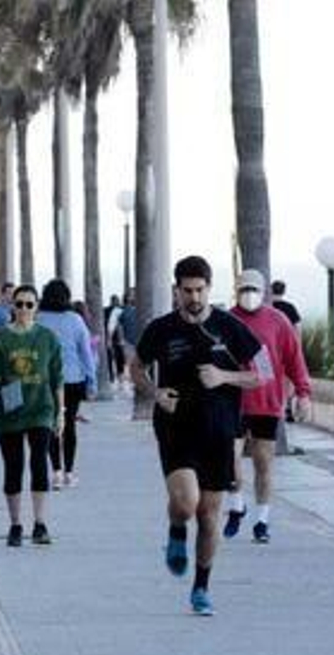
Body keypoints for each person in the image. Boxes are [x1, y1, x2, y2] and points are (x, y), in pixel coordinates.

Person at [131, 255, 261, 616]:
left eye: (200, 290)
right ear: (176, 291)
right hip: (175, 426)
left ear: (209, 288)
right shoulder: (162, 329)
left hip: (219, 430)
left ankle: (201, 588)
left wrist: (225, 377)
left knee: (208, 515)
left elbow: (261, 373)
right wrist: (155, 393)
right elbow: (136, 366)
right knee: (187, 502)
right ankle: (176, 526)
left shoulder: (229, 327)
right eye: (187, 290)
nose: (194, 297)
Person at [224, 270, 312, 544]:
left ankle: (262, 520)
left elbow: (294, 359)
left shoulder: (278, 321)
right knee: (228, 460)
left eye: (253, 288)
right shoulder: (226, 320)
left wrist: (303, 392)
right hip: (232, 402)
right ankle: (237, 506)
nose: (249, 294)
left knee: (263, 464)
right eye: (244, 288)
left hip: (267, 402)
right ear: (236, 290)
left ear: (263, 291)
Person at [0, 285, 64, 547]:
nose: (24, 310)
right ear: (12, 307)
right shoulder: (0, 340)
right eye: (19, 304)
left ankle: (39, 523)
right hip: (11, 411)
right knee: (13, 467)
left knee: (39, 462)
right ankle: (15, 524)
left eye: (29, 304)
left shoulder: (48, 338)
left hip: (41, 409)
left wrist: (61, 413)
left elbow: (57, 378)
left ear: (37, 307)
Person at [35, 279, 96, 487]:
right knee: (69, 424)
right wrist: (92, 381)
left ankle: (56, 472)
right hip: (73, 379)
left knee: (53, 424)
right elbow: (86, 353)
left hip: (45, 380)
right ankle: (69, 472)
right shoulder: (75, 320)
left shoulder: (38, 319)